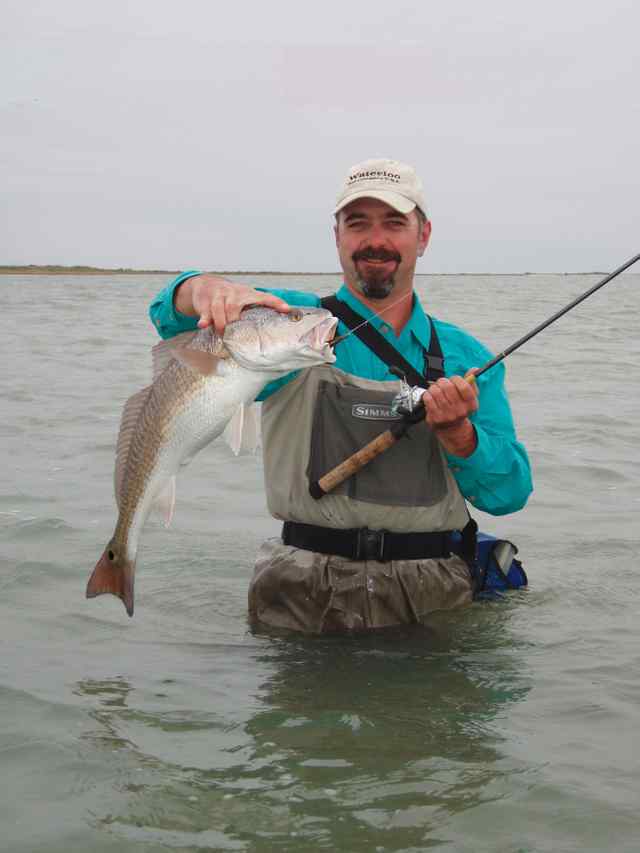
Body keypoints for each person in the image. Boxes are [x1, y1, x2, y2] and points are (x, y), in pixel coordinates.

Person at [149, 158, 533, 633]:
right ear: (337, 236)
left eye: (395, 223)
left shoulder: (466, 357)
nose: (376, 240)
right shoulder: (286, 322)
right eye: (358, 224)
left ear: (424, 235)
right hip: (300, 589)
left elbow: (511, 493)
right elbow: (172, 319)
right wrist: (201, 287)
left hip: (434, 592)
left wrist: (460, 434)